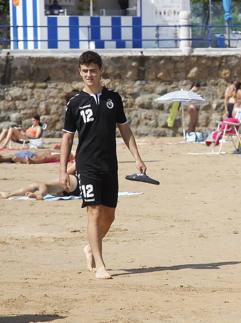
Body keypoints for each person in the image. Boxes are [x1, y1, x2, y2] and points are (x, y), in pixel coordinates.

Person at [59, 50, 147, 280]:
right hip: (86, 165)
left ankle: (90, 247)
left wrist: (137, 157)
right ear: (80, 72)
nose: (89, 75)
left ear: (100, 71)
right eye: (85, 71)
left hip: (110, 164)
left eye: (93, 70)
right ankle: (100, 265)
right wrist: (62, 171)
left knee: (109, 215)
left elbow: (124, 129)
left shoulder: (113, 98)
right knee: (94, 211)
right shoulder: (74, 103)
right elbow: (67, 137)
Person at [0, 164, 79, 200]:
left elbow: (68, 171)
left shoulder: (84, 156)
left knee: (42, 184)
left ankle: (40, 194)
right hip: (84, 189)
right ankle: (9, 194)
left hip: (76, 182)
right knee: (46, 187)